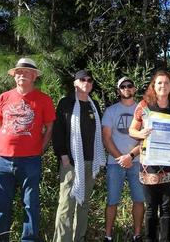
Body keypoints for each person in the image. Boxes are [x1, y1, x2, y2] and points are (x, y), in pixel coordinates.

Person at [0, 58, 55, 242]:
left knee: (31, 204)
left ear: (34, 77)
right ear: (14, 76)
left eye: (27, 72)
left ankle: (29, 239)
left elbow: (49, 128)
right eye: (19, 72)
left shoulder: (43, 100)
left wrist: (40, 149)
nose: (22, 75)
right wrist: (2, 137)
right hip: (2, 160)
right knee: (1, 205)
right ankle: (0, 239)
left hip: (30, 161)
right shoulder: (3, 97)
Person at [129, 70, 170, 242]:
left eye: (166, 83)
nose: (163, 86)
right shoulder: (144, 106)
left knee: (167, 207)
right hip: (150, 165)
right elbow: (132, 130)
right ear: (153, 86)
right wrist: (142, 134)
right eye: (159, 83)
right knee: (150, 207)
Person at [52, 70, 105, 242]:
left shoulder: (94, 105)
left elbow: (98, 133)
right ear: (75, 83)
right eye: (83, 79)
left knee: (83, 204)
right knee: (67, 204)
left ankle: (79, 238)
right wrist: (63, 155)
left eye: (90, 80)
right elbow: (58, 131)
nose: (87, 82)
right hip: (71, 162)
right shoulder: (65, 103)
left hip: (90, 161)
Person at [102, 77, 144, 242]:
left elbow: (145, 140)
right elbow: (106, 138)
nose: (127, 88)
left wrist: (131, 156)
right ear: (118, 91)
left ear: (134, 89)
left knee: (139, 199)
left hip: (138, 161)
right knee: (112, 200)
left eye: (130, 85)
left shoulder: (142, 111)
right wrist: (121, 158)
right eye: (123, 86)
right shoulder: (111, 111)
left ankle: (137, 234)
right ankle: (108, 236)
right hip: (115, 163)